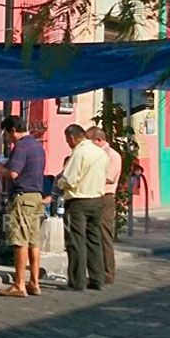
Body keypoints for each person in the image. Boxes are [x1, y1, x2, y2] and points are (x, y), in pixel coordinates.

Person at [0, 116, 46, 298]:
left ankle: (19, 284)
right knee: (34, 241)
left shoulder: (21, 146)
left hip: (22, 197)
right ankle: (34, 282)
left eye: (7, 134)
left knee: (20, 241)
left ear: (12, 130)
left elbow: (14, 173)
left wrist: (1, 170)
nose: (7, 138)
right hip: (36, 196)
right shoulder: (38, 146)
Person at [57, 124, 109, 291]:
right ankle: (97, 279)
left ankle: (77, 281)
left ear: (72, 137)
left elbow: (69, 178)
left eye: (67, 141)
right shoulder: (100, 152)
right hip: (97, 199)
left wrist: (59, 183)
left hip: (78, 201)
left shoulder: (79, 152)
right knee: (94, 241)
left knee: (76, 242)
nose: (68, 144)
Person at [87, 127, 122, 285]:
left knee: (104, 234)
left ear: (99, 140)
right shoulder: (95, 155)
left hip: (106, 197)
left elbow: (109, 177)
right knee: (93, 235)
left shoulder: (112, 156)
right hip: (93, 196)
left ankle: (108, 272)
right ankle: (96, 271)